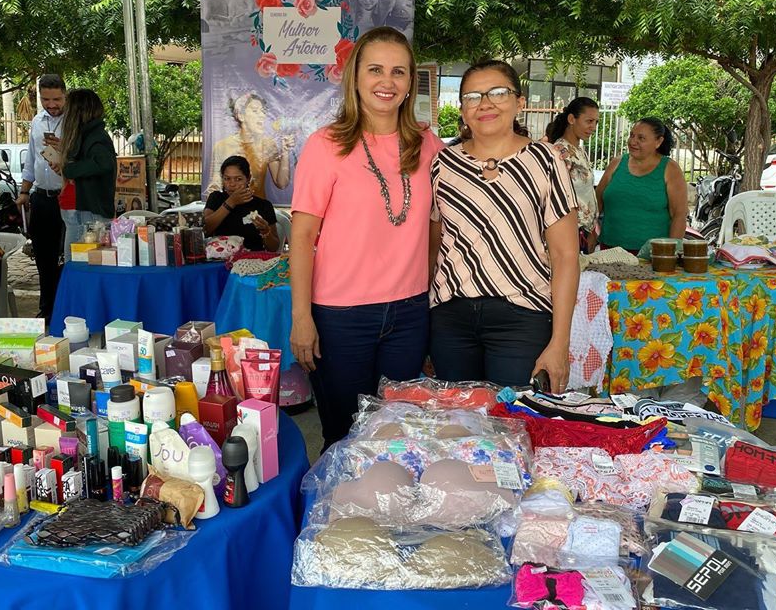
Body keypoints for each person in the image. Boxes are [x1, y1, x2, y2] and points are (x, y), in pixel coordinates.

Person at [290, 26, 445, 450]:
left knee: (394, 436)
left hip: (410, 313)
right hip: (341, 317)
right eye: (375, 69)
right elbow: (301, 237)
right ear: (355, 76)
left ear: (410, 82)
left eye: (398, 71)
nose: (387, 81)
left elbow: (437, 225)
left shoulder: (428, 145)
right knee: (343, 438)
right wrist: (302, 318)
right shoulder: (326, 145)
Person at [429, 60, 580, 392]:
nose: (485, 103)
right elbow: (433, 244)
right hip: (451, 319)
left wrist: (560, 343)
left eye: (498, 93)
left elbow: (566, 255)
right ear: (463, 110)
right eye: (473, 97)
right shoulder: (443, 163)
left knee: (514, 417)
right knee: (458, 418)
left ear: (519, 102)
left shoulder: (545, 160)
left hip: (523, 318)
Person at [595, 117, 688, 253]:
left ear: (658, 142)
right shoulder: (616, 163)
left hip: (653, 254)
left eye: (641, 138)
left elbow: (679, 215)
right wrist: (591, 235)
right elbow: (597, 202)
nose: (633, 142)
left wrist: (670, 252)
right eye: (632, 135)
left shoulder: (670, 169)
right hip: (609, 250)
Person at [16, 73, 66, 322]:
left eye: (56, 99)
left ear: (65, 96)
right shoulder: (37, 121)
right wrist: (24, 192)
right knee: (43, 258)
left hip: (66, 198)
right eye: (46, 99)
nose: (51, 104)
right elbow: (32, 159)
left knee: (66, 257)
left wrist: (62, 148)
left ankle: (66, 308)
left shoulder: (74, 121)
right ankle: (46, 309)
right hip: (41, 198)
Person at [51, 89, 116, 260]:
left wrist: (69, 169)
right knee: (77, 263)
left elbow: (103, 163)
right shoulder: (88, 134)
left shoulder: (95, 136)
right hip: (79, 207)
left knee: (78, 264)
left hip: (84, 209)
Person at [208, 93, 293, 199]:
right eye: (255, 111)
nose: (262, 115)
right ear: (241, 115)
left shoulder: (268, 144)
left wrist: (285, 152)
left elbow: (282, 183)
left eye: (263, 111)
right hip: (229, 206)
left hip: (257, 207)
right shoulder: (222, 146)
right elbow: (215, 186)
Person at [546, 97, 601, 252]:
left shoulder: (579, 151)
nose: (593, 127)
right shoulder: (559, 152)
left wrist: (592, 230)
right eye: (589, 121)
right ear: (571, 119)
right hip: (568, 232)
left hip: (585, 231)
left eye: (596, 122)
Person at [204, 155, 279, 251]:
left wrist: (265, 231)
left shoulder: (263, 205)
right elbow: (206, 230)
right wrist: (231, 202)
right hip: (221, 257)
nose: (232, 184)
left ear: (248, 179)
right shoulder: (216, 198)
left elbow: (274, 248)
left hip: (253, 258)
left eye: (238, 179)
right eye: (227, 178)